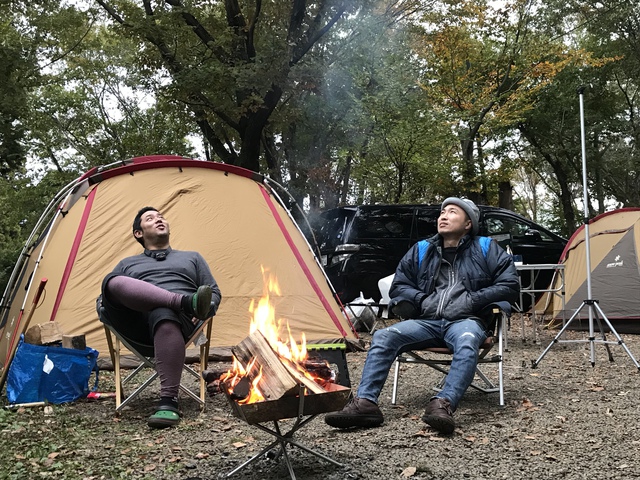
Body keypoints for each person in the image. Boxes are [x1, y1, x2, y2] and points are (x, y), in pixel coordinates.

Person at [325, 197, 518, 434]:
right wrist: (421, 300)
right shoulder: (422, 249)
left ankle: (442, 404)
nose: (443, 216)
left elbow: (509, 285)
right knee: (384, 336)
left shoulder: (486, 248)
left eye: (452, 212)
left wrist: (472, 300)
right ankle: (366, 404)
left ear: (468, 223)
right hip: (426, 322)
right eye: (442, 212)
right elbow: (399, 285)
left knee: (467, 340)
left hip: (466, 322)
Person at [98, 206, 222, 429]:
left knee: (163, 312)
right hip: (137, 324)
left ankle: (168, 401)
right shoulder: (128, 264)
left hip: (178, 322)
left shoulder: (192, 258)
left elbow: (213, 293)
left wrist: (206, 308)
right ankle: (182, 301)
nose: (159, 220)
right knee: (111, 281)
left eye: (161, 217)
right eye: (150, 218)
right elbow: (105, 297)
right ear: (138, 233)